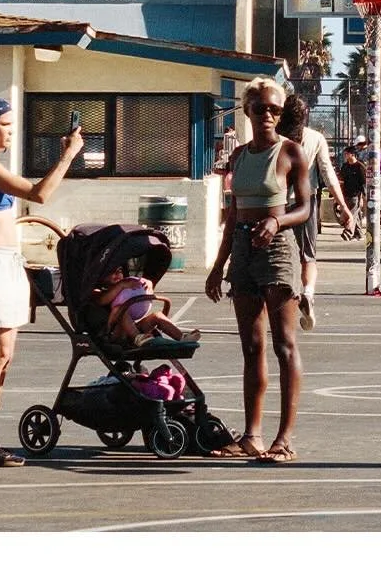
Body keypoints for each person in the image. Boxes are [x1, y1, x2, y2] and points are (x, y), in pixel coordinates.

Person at [0, 95, 84, 467]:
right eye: (6, 125)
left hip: (7, 262)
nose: (11, 132)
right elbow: (39, 194)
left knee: (6, 356)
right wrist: (69, 155)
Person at [204, 78, 311, 462]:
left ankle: (284, 439)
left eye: (275, 109)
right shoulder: (239, 157)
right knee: (252, 346)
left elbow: (305, 208)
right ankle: (252, 435)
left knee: (284, 344)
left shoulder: (291, 152)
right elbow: (232, 214)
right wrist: (219, 265)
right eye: (261, 108)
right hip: (244, 251)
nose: (268, 115)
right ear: (247, 110)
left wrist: (277, 223)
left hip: (277, 249)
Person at [276, 94, 354, 331]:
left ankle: (284, 303)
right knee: (307, 256)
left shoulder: (275, 138)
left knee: (279, 257)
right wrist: (343, 206)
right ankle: (308, 293)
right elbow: (328, 174)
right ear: (305, 115)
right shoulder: (315, 138)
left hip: (277, 204)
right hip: (305, 203)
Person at [92, 267, 199, 350]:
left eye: (119, 271)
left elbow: (142, 285)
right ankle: (138, 337)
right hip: (112, 334)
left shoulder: (128, 285)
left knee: (156, 316)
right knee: (120, 309)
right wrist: (121, 285)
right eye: (112, 272)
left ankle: (181, 337)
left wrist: (147, 284)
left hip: (131, 329)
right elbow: (102, 300)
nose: (117, 274)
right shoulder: (98, 291)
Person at [337, 144, 366, 238]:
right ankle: (359, 233)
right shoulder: (345, 166)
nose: (345, 155)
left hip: (356, 195)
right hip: (345, 194)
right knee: (354, 214)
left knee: (352, 214)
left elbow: (363, 183)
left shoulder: (360, 167)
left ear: (352, 154)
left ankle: (348, 232)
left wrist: (362, 197)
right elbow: (341, 180)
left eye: (347, 154)